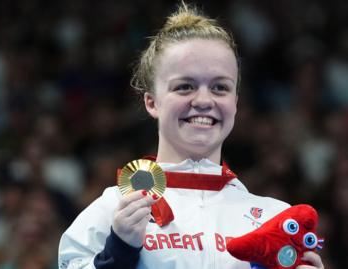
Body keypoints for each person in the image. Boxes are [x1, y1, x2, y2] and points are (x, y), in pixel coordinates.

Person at [58, 3, 325, 269]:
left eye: (220, 87)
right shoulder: (110, 212)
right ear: (152, 102)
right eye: (185, 86)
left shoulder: (274, 220)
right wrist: (118, 252)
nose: (204, 100)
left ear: (235, 103)